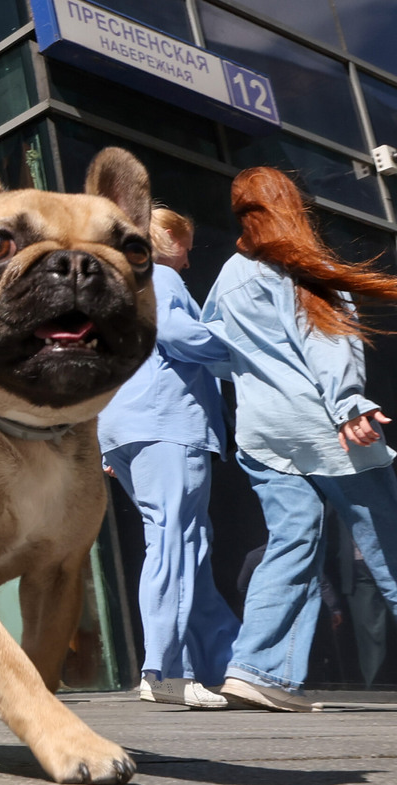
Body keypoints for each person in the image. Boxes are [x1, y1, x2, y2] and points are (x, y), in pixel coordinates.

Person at [202, 166, 397, 711]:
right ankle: (260, 670)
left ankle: (256, 669)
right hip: (324, 425)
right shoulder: (305, 266)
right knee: (388, 545)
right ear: (292, 204)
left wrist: (253, 371)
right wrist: (349, 404)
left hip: (263, 431)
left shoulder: (229, 275)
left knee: (291, 540)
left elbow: (213, 349)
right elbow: (328, 341)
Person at [97, 208, 240, 709]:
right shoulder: (160, 276)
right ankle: (164, 672)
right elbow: (181, 336)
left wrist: (103, 445)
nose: (190, 256)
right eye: (189, 244)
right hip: (167, 425)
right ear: (170, 241)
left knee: (187, 545)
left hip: (125, 429)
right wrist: (244, 347)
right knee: (175, 542)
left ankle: (223, 662)